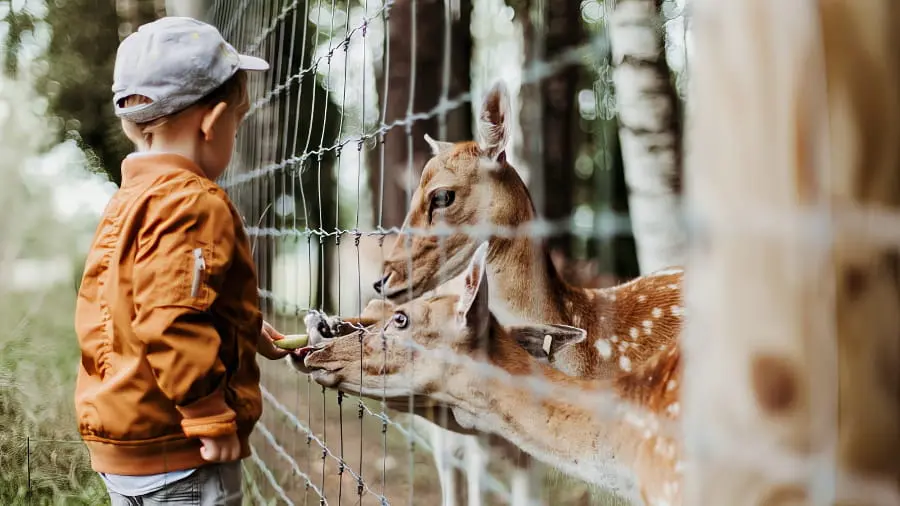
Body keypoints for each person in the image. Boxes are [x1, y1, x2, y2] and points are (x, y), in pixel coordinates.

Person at [74, 16, 289, 505]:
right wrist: (208, 413)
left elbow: (139, 301)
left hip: (130, 438)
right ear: (213, 124)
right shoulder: (194, 203)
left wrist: (249, 329)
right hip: (183, 450)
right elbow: (171, 317)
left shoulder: (128, 201)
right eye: (238, 120)